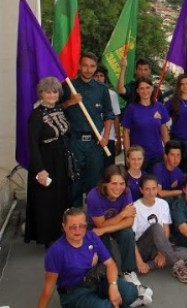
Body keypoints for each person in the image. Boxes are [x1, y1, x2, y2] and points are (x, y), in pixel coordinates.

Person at [38, 208, 139, 308]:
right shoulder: (56, 251)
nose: (77, 230)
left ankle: (111, 302)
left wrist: (113, 286)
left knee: (131, 293)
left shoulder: (91, 237)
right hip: (74, 291)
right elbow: (49, 286)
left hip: (96, 280)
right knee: (104, 307)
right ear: (64, 227)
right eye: (72, 227)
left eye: (82, 226)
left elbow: (110, 264)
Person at [86, 164, 153, 303]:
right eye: (114, 183)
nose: (118, 188)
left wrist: (106, 227)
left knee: (127, 233)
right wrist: (122, 214)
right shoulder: (94, 196)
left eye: (121, 183)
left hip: (109, 226)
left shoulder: (126, 192)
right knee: (102, 240)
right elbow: (99, 224)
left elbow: (129, 222)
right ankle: (114, 278)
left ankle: (129, 271)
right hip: (94, 228)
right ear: (105, 183)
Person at [61, 52, 114, 207]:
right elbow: (58, 109)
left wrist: (105, 138)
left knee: (94, 183)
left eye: (92, 66)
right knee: (74, 183)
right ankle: (75, 218)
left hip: (95, 143)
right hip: (75, 142)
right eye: (85, 65)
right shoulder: (68, 86)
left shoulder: (102, 89)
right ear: (79, 66)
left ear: (95, 67)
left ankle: (93, 220)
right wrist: (70, 102)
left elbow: (109, 114)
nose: (88, 70)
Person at [25, 76, 71, 247]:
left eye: (54, 91)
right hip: (46, 161)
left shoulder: (58, 109)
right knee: (47, 200)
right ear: (41, 93)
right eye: (47, 92)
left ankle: (60, 233)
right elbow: (32, 144)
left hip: (60, 160)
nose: (51, 95)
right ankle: (48, 238)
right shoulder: (36, 115)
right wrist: (40, 170)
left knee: (60, 198)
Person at [132, 175, 187, 283]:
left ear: (157, 189)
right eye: (147, 189)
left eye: (154, 188)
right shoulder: (135, 207)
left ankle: (149, 266)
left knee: (185, 252)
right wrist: (139, 261)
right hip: (143, 248)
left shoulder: (163, 204)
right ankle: (177, 265)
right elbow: (131, 239)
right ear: (141, 190)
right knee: (156, 227)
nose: (151, 192)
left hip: (159, 246)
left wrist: (162, 252)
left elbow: (166, 229)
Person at [122, 77, 170, 173]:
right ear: (137, 91)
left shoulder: (160, 107)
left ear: (152, 89)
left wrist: (167, 152)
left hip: (157, 155)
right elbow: (126, 133)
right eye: (142, 88)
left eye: (147, 88)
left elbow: (164, 131)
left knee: (155, 184)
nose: (145, 91)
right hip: (137, 157)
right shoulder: (132, 109)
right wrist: (128, 155)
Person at [94, 65, 122, 168]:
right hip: (93, 138)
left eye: (101, 75)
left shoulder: (112, 94)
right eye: (96, 75)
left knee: (109, 169)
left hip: (108, 137)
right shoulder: (87, 94)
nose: (99, 78)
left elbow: (115, 118)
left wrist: (118, 139)